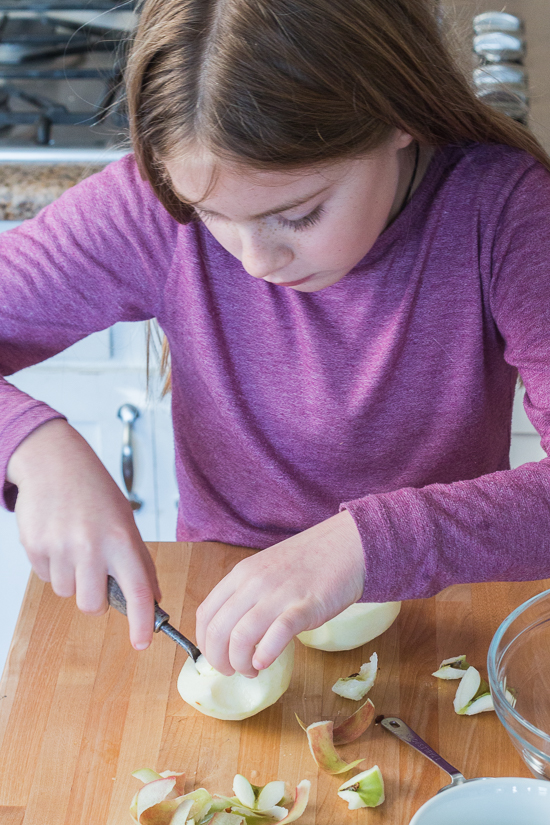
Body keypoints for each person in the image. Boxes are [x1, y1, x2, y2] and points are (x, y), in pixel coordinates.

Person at [2, 0, 550, 680]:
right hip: (221, 615)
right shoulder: (147, 212)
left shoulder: (507, 215)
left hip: (443, 622)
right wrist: (29, 442)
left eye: (297, 214)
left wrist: (366, 546)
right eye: (210, 216)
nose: (255, 261)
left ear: (398, 118)